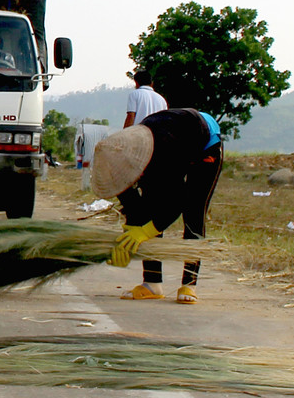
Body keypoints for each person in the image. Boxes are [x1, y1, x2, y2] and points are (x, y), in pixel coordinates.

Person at [91, 108, 223, 304]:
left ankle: (189, 283)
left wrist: (145, 233)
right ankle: (152, 283)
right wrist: (129, 237)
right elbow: (136, 209)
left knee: (193, 211)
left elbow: (177, 202)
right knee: (149, 209)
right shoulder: (120, 163)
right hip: (171, 141)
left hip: (204, 143)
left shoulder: (162, 151)